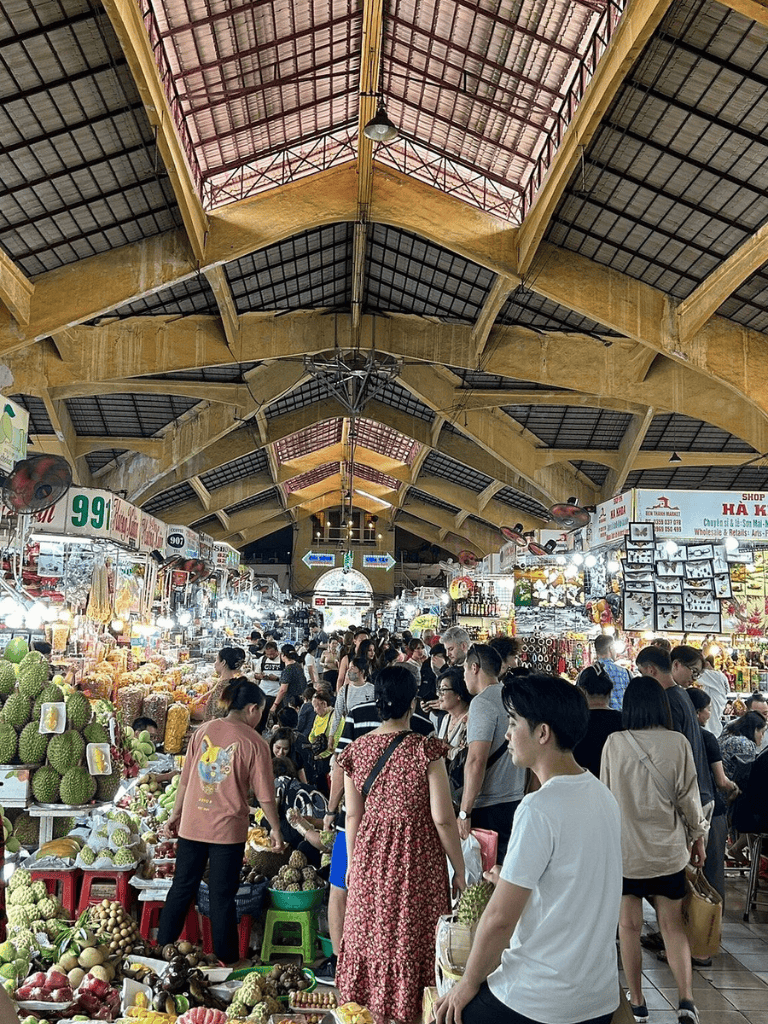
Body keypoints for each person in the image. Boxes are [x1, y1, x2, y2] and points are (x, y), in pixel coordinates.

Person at [434, 673, 623, 1024]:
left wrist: (466, 986)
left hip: (540, 997)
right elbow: (573, 882)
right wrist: (510, 877)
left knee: (445, 1013)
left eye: (512, 722)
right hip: (598, 997)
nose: (506, 734)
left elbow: (499, 919)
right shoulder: (602, 796)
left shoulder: (539, 807)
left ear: (542, 733)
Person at [336, 665, 465, 1024]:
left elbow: (352, 817)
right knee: (413, 936)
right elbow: (442, 817)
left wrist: (351, 864)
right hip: (417, 856)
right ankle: (411, 1012)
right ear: (412, 702)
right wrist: (460, 868)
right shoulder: (426, 750)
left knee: (372, 932)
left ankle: (366, 1013)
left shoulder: (357, 750)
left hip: (369, 855)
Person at [601, 676, 707, 1023]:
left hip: (625, 854)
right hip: (668, 852)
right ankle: (686, 1000)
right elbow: (690, 801)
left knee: (628, 928)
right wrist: (698, 837)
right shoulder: (678, 744)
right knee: (672, 927)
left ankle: (638, 1001)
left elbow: (604, 797)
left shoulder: (615, 743)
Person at [157, 678, 285, 965]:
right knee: (221, 896)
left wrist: (175, 815)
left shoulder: (203, 731)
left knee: (182, 887)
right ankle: (225, 959)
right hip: (227, 831)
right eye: (261, 712)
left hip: (193, 824)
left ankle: (161, 949)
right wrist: (276, 829)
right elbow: (266, 796)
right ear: (253, 708)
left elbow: (185, 781)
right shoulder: (255, 743)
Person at [318, 683, 435, 986]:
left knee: (344, 894)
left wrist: (331, 811)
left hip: (356, 830)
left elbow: (341, 767)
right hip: (411, 839)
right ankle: (400, 981)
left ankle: (344, 965)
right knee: (403, 908)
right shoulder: (423, 726)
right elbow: (440, 811)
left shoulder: (356, 716)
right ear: (410, 701)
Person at [459, 643, 525, 861]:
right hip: (515, 799)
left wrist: (465, 811)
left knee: (484, 879)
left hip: (488, 806)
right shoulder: (513, 697)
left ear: (475, 668)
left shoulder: (482, 702)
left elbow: (476, 760)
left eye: (465, 670)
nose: (464, 676)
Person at [686, 687, 736, 904]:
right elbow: (721, 781)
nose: (710, 714)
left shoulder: (679, 737)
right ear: (697, 712)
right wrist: (735, 788)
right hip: (711, 811)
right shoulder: (707, 738)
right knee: (713, 872)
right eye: (708, 709)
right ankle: (711, 929)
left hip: (686, 810)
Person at [573, 664, 622, 777]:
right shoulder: (623, 720)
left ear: (582, 691)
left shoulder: (573, 722)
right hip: (613, 786)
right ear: (610, 692)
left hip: (581, 786)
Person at [436, 665, 472, 808]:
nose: (439, 694)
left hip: (463, 791)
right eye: (439, 689)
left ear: (459, 694)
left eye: (444, 690)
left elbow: (471, 755)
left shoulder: (470, 720)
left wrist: (445, 749)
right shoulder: (446, 719)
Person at [718, 711, 766, 789]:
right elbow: (746, 778)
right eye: (762, 732)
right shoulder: (745, 744)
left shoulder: (727, 734)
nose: (763, 736)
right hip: (729, 791)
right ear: (755, 729)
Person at [206, 647, 246, 720]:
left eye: (216, 660)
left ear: (223, 662)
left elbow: (216, 717)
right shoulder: (236, 683)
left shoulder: (223, 687)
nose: (215, 663)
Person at [593, 633, 631, 710]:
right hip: (621, 719)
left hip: (597, 719)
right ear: (610, 648)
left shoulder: (587, 673)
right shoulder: (624, 672)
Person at [696, 656, 729, 735]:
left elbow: (695, 675)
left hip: (712, 727)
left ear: (707, 664)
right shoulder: (721, 677)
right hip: (715, 724)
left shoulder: (713, 676)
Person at [252, 641, 282, 724]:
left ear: (277, 651)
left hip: (278, 694)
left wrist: (276, 678)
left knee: (278, 719)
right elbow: (255, 675)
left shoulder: (282, 660)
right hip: (264, 692)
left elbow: (287, 679)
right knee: (261, 719)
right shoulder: (263, 659)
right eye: (267, 654)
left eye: (272, 654)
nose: (270, 656)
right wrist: (261, 676)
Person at [272, 646, 307, 718]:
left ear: (283, 655)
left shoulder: (287, 670)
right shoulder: (298, 666)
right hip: (300, 699)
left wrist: (275, 705)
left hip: (290, 702)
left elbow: (283, 690)